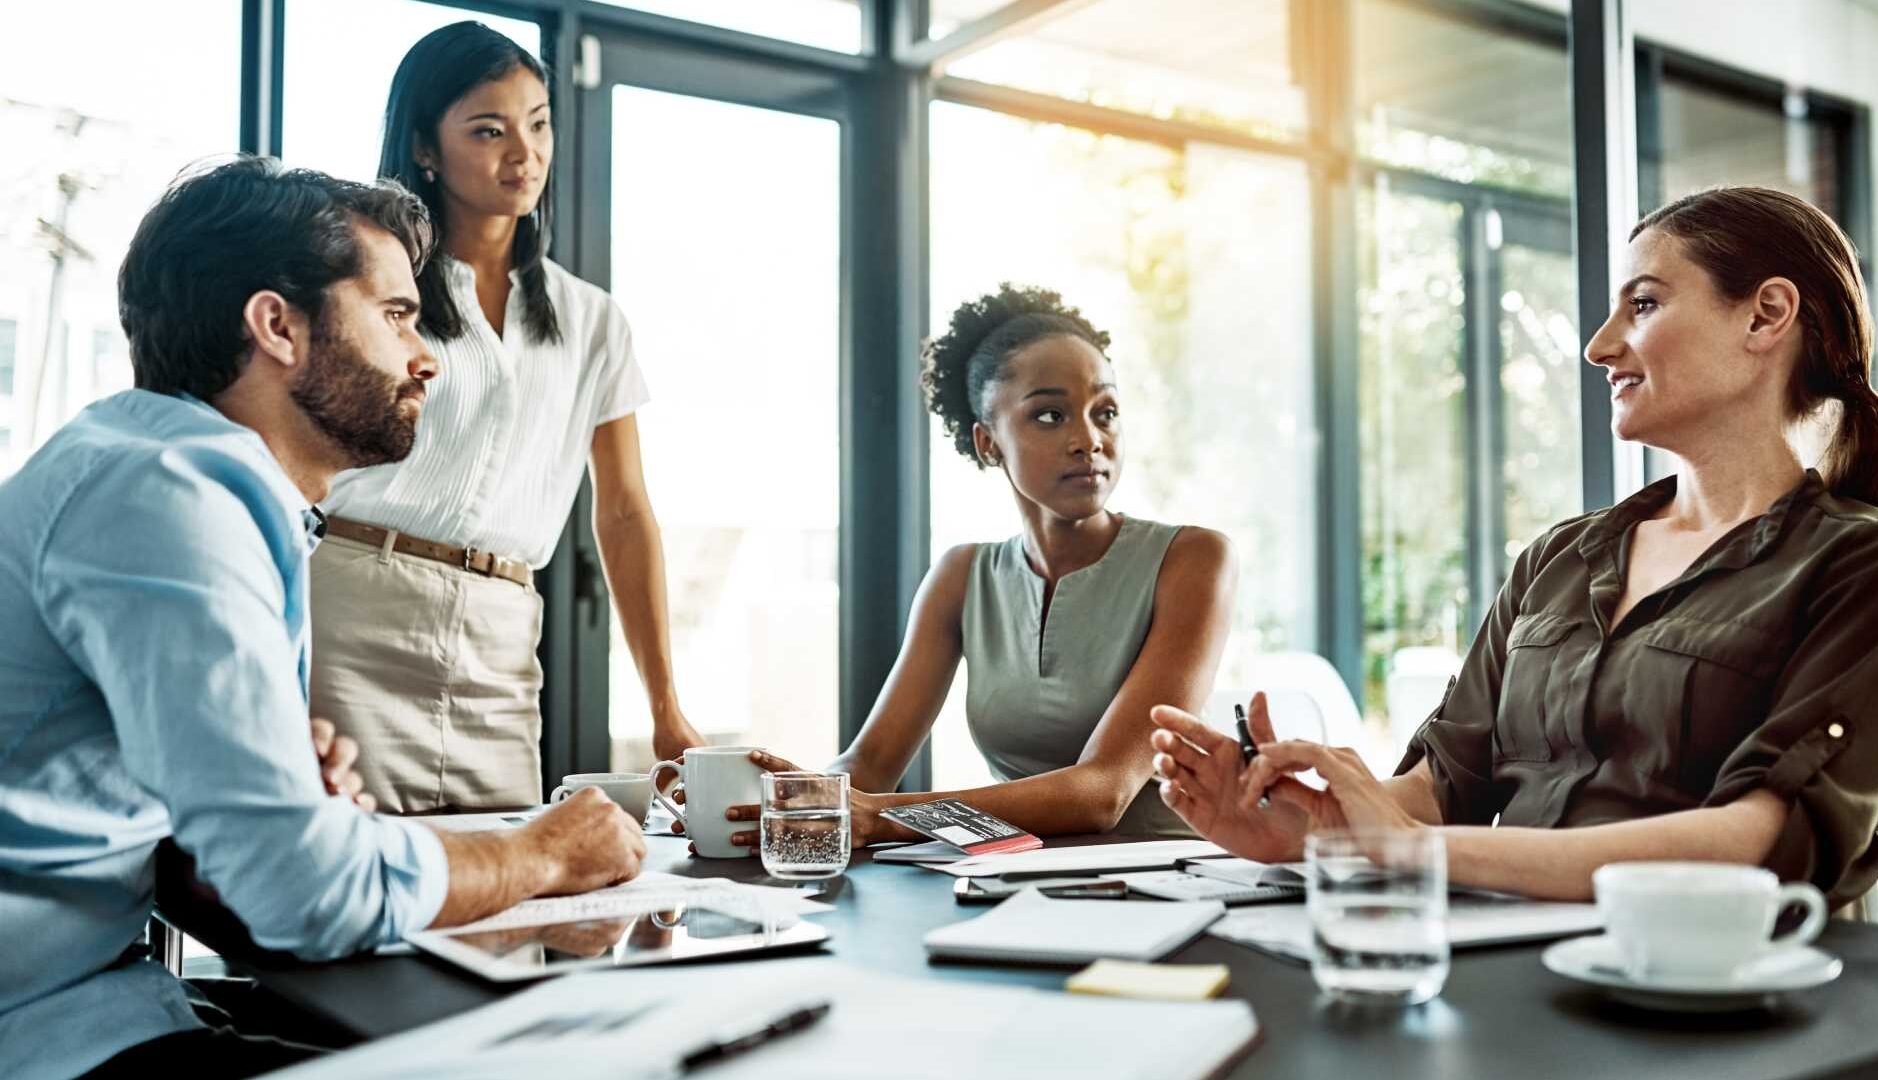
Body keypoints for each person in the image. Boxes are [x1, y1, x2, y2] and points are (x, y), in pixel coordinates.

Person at [0, 158, 647, 1080]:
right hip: (48, 1031)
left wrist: (282, 812)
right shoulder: (171, 496)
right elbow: (301, 890)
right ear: (277, 326)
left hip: (99, 996)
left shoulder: (165, 474)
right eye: (395, 316)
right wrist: (538, 854)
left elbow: (227, 870)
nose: (427, 355)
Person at [1150, 187, 1878, 909]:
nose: (1598, 346)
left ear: (1765, 317)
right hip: (1512, 966)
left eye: (1643, 305)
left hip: (1724, 1008)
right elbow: (1440, 789)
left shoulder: (1873, 568)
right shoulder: (1560, 558)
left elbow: (1762, 842)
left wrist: (1421, 852)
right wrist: (1310, 828)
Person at [314, 22, 700, 813]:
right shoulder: (371, 288)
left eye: (538, 123)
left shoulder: (592, 319)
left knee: (508, 903)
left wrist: (664, 704)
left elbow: (624, 513)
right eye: (488, 130)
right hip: (353, 613)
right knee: (361, 892)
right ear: (425, 146)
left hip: (502, 633)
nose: (523, 155)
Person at [709, 284, 1236, 851]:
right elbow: (870, 765)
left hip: (1179, 889)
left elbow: (1102, 792)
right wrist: (770, 809)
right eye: (1051, 415)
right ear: (988, 443)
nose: (1089, 440)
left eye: (1105, 412)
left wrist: (880, 816)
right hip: (1015, 887)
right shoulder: (962, 576)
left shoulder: (1195, 559)